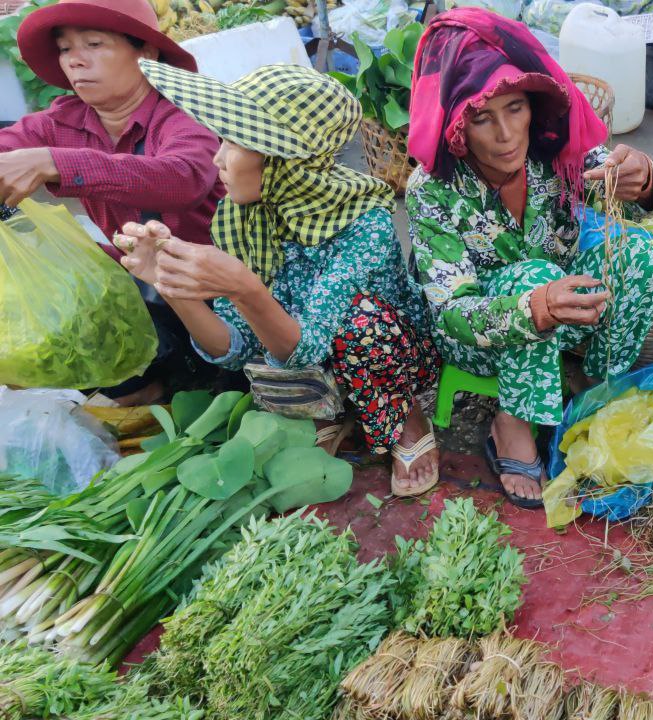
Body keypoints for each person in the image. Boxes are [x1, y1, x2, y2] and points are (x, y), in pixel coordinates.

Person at [114, 61, 441, 497]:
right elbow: (236, 350)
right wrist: (173, 285)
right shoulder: (239, 220)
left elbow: (305, 347)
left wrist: (242, 286)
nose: (218, 157)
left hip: (390, 358)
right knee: (275, 334)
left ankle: (406, 416)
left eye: (235, 141)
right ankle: (332, 412)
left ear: (286, 159)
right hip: (306, 360)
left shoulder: (366, 223)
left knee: (360, 325)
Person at [406, 7, 653, 510]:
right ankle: (512, 421)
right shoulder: (432, 189)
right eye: (482, 117)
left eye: (516, 108)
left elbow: (645, 196)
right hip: (480, 337)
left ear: (534, 106)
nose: (506, 135)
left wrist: (643, 175)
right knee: (535, 275)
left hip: (564, 310)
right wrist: (537, 305)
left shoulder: (556, 151)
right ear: (458, 124)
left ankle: (592, 385)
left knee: (637, 252)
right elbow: (452, 312)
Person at [0, 0, 224, 406]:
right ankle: (139, 390)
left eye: (94, 44)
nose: (76, 62)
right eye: (66, 49)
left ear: (146, 52)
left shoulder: (187, 110)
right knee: (57, 300)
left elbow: (184, 176)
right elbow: (8, 148)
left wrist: (53, 162)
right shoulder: (60, 122)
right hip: (139, 276)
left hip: (218, 284)